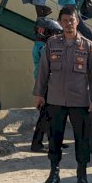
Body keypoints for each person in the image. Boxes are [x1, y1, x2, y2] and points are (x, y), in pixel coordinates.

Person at [33, 6, 92, 183]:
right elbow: (43, 71)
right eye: (65, 21)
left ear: (77, 21)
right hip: (55, 100)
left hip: (80, 101)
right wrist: (39, 94)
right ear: (60, 22)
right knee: (54, 138)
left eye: (72, 20)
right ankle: (54, 172)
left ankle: (82, 174)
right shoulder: (52, 43)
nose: (68, 24)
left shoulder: (88, 46)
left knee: (82, 139)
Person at [31, 17, 64, 152]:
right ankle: (37, 143)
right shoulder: (44, 47)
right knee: (46, 114)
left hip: (47, 82)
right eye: (54, 33)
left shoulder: (39, 45)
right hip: (47, 83)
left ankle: (54, 141)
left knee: (52, 115)